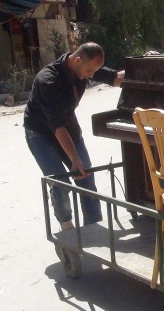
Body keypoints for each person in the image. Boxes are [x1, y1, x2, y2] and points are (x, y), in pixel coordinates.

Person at [23, 42, 124, 230]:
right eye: (90, 71)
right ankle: (67, 230)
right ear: (77, 60)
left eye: (95, 71)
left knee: (86, 179)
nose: (92, 76)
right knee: (60, 182)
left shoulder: (84, 68)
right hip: (41, 134)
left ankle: (94, 228)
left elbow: (115, 78)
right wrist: (74, 159)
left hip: (68, 127)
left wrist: (144, 71)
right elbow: (57, 127)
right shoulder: (48, 80)